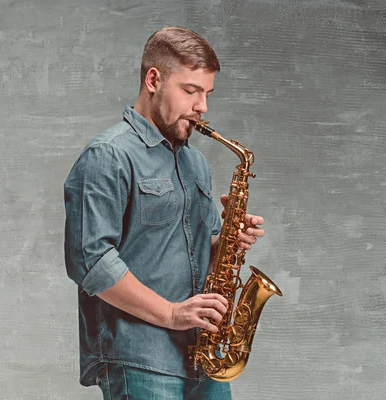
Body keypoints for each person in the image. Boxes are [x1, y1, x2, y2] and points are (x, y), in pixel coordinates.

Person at [63, 26, 266, 400]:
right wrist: (173, 314)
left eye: (207, 93)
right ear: (153, 79)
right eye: (191, 91)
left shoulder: (196, 163)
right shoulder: (108, 156)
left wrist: (228, 243)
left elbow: (197, 258)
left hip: (203, 355)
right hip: (140, 357)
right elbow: (91, 262)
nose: (202, 106)